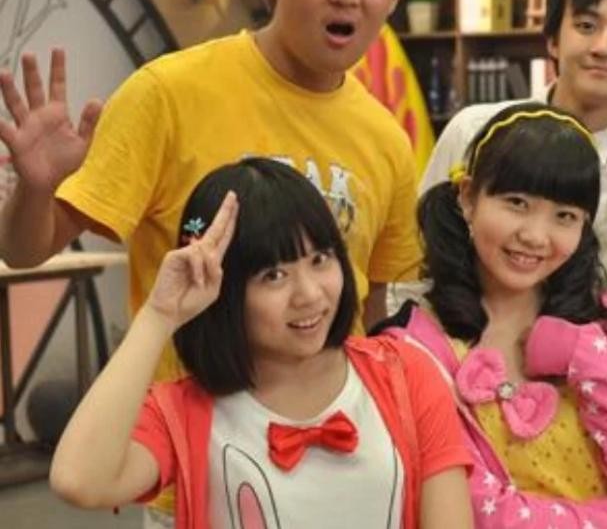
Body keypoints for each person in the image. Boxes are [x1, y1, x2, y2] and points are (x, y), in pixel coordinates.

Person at [0, 0, 419, 377]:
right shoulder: (166, 94)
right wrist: (35, 190)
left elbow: (375, 308)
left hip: (330, 415)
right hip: (187, 415)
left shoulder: (387, 140)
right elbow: (25, 251)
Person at [49, 158, 474, 529]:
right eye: (274, 275)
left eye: (320, 259)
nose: (309, 294)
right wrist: (159, 316)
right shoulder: (183, 411)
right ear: (225, 289)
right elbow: (79, 480)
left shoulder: (405, 374)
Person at [379, 103, 607, 528]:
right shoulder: (417, 349)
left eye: (564, 216)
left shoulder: (600, 329)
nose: (536, 236)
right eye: (517, 203)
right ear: (467, 197)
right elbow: (478, 514)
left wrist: (584, 355)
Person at [417, 0, 607, 377]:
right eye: (586, 25)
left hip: (573, 390)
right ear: (552, 40)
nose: (604, 46)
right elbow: (419, 268)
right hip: (448, 373)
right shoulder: (475, 130)